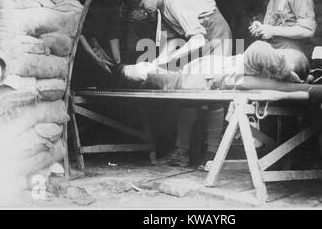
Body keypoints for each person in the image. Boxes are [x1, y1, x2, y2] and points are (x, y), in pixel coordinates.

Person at [119, 40, 309, 170]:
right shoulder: (257, 66)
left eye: (284, 57)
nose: (280, 55)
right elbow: (259, 54)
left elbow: (260, 52)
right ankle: (125, 71)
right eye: (281, 55)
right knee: (148, 73)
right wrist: (290, 77)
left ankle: (123, 71)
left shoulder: (260, 68)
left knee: (145, 73)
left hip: (206, 76)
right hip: (206, 70)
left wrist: (289, 77)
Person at [125, 0, 233, 169]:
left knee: (211, 89)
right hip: (198, 41)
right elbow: (172, 44)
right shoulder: (161, 9)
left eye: (142, 3)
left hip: (216, 37)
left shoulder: (175, 2)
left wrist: (169, 61)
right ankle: (181, 152)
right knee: (186, 91)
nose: (143, 9)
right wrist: (157, 64)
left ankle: (213, 153)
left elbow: (198, 40)